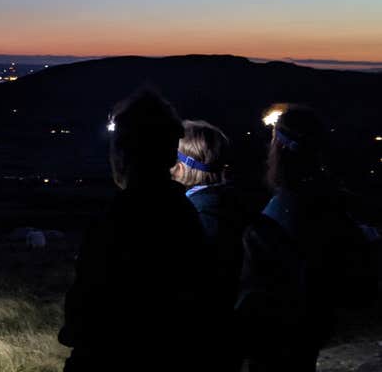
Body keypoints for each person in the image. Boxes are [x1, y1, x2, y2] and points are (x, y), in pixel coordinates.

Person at [59, 89, 218, 371]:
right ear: (171, 154)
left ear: (122, 151)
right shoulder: (185, 216)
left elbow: (83, 316)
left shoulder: (117, 220)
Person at [236, 105, 379, 372]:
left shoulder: (288, 209)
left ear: (279, 148)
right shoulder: (330, 199)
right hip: (313, 327)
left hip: (280, 337)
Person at [172, 120, 251, 371]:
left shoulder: (199, 216)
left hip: (201, 345)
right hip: (228, 341)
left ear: (182, 166)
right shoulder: (231, 205)